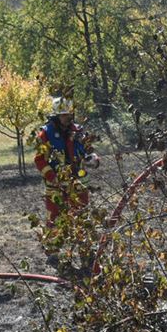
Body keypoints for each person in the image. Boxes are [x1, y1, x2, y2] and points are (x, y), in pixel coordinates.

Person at [33, 96, 100, 234]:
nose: (67, 117)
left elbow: (88, 150)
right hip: (56, 187)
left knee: (81, 217)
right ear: (56, 115)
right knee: (54, 220)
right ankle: (52, 253)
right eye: (63, 115)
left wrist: (93, 159)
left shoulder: (78, 131)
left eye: (69, 114)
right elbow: (39, 160)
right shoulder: (46, 133)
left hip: (78, 182)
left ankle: (84, 252)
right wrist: (52, 176)